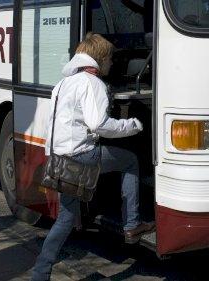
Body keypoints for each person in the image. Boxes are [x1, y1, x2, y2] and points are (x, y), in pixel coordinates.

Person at [31, 33, 154, 281]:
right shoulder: (92, 82)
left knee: (65, 220)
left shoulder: (63, 83)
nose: (111, 64)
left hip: (59, 159)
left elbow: (52, 124)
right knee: (130, 160)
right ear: (101, 58)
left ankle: (40, 274)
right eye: (110, 59)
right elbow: (99, 124)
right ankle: (132, 224)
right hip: (82, 156)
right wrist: (133, 125)